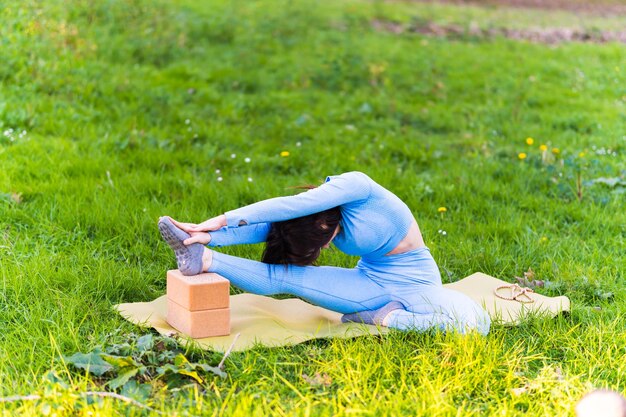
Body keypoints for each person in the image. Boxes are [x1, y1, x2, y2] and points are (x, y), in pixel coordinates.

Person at [158, 171, 490, 335]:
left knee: (473, 325)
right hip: (369, 283)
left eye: (322, 242)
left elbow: (293, 203)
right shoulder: (314, 218)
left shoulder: (357, 187)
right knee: (287, 279)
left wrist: (225, 218)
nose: (327, 247)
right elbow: (275, 224)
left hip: (416, 283)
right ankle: (201, 258)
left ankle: (386, 318)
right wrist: (209, 236)